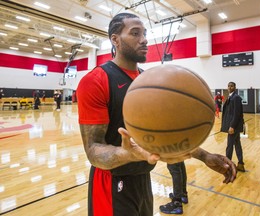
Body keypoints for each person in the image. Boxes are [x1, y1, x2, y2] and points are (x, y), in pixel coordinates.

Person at [77, 13, 237, 216]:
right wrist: (129, 153)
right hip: (111, 182)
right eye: (135, 33)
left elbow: (168, 132)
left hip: (143, 179)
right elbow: (93, 151)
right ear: (115, 39)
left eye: (144, 34)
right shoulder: (96, 80)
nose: (144, 39)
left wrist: (205, 156)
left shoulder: (148, 79)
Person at [221, 82, 245, 172]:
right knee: (237, 145)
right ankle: (241, 164)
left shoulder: (236, 98)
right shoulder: (231, 97)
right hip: (233, 126)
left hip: (233, 127)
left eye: (231, 86)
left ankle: (228, 165)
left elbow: (236, 113)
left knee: (229, 146)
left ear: (235, 87)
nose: (229, 87)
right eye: (228, 86)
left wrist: (232, 126)